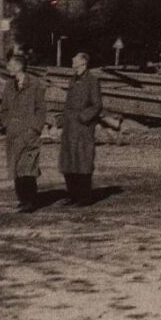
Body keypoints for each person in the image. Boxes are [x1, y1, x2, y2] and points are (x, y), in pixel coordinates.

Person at [0, 56, 47, 213]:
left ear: (19, 66)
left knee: (28, 167)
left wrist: (35, 128)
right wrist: (7, 123)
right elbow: (4, 108)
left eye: (11, 65)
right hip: (13, 133)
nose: (8, 68)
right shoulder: (8, 85)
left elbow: (41, 109)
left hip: (29, 133)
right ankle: (22, 199)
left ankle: (30, 200)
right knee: (16, 168)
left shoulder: (35, 84)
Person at [59, 52, 102, 206]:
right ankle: (73, 195)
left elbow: (97, 105)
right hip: (70, 128)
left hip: (83, 128)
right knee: (69, 161)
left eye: (74, 63)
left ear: (83, 64)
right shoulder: (73, 80)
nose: (72, 66)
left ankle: (85, 197)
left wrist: (83, 118)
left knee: (83, 161)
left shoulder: (92, 81)